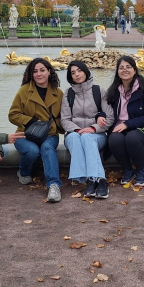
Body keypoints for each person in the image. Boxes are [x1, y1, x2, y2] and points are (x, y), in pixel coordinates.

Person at [9, 58, 65, 203]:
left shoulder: (58, 93)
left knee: (47, 148)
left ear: (49, 71)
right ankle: (24, 172)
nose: (38, 74)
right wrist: (31, 121)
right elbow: (13, 115)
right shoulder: (24, 91)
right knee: (32, 151)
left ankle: (54, 185)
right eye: (35, 71)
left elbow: (63, 118)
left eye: (42, 70)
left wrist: (53, 126)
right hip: (25, 133)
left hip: (49, 134)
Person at [61, 60, 114, 199]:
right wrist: (78, 130)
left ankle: (98, 179)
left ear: (85, 71)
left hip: (97, 135)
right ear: (70, 76)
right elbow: (64, 120)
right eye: (73, 72)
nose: (77, 74)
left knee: (87, 137)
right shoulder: (68, 94)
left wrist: (92, 128)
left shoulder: (99, 91)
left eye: (79, 70)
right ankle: (91, 180)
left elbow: (109, 118)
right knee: (73, 137)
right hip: (75, 133)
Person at [106, 55, 144, 187]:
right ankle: (128, 169)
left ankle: (141, 171)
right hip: (120, 129)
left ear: (135, 70)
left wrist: (127, 124)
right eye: (121, 68)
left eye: (128, 67)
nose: (125, 70)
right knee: (113, 139)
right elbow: (105, 109)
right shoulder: (113, 91)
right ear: (117, 72)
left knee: (132, 137)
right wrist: (101, 115)